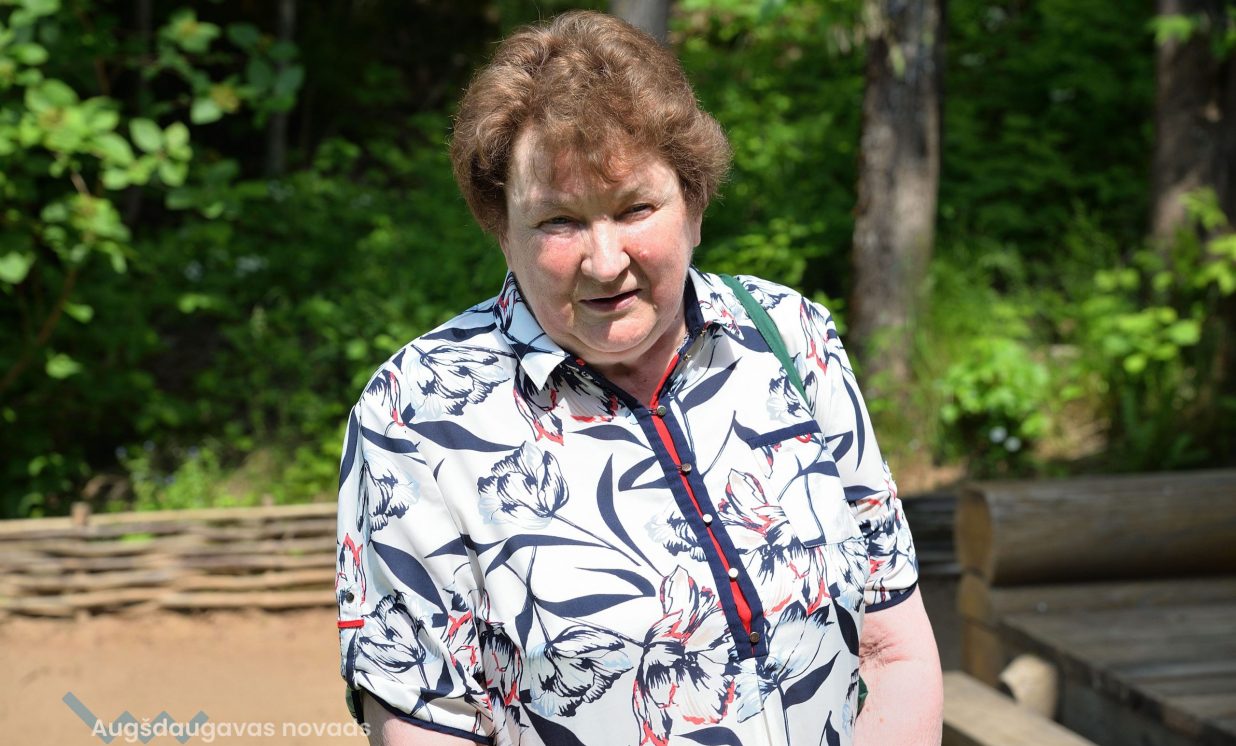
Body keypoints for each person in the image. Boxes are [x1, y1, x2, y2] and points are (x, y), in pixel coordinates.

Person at [335, 10, 943, 746]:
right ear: (502, 230)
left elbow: (892, 647)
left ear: (694, 204)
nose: (604, 261)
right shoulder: (416, 416)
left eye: (635, 208)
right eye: (558, 221)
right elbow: (428, 723)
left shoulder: (789, 336)